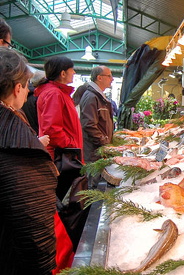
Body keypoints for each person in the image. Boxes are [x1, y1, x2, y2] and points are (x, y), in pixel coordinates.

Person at [0, 47, 57, 274]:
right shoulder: (17, 145)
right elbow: (31, 220)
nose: (29, 91)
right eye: (27, 86)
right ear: (17, 88)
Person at [35, 56, 83, 200]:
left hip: (65, 154)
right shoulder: (54, 93)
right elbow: (52, 129)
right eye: (71, 69)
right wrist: (71, 145)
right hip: (61, 157)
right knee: (61, 200)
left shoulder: (59, 93)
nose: (74, 72)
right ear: (63, 73)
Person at [79, 65, 114, 169]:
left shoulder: (98, 96)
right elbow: (89, 124)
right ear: (99, 78)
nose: (112, 79)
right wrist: (104, 141)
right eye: (109, 76)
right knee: (92, 180)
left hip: (98, 149)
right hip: (93, 151)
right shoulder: (91, 97)